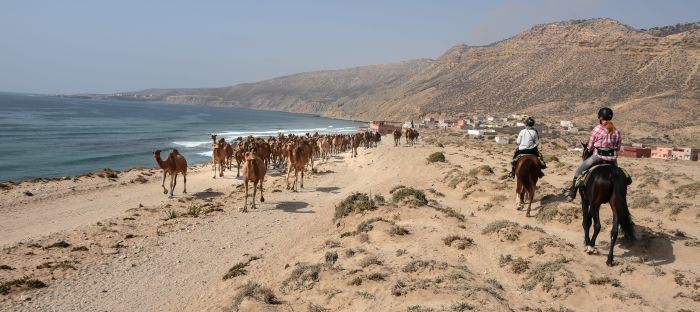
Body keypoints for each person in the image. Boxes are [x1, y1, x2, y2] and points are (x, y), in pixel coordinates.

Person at [566, 107, 621, 201]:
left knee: (578, 171)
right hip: (612, 159)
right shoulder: (617, 131)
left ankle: (573, 193)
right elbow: (618, 147)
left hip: (598, 157)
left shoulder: (597, 129)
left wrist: (590, 149)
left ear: (600, 117)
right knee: (620, 176)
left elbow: (590, 146)